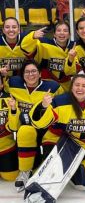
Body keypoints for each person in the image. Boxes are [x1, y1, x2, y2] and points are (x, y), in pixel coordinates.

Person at [29, 74, 85, 199]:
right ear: (71, 87)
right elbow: (39, 123)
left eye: (84, 86)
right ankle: (48, 169)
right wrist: (43, 106)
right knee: (52, 174)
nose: (80, 88)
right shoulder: (60, 101)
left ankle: (74, 172)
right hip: (59, 142)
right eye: (77, 85)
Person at [6, 60, 64, 192]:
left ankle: (49, 170)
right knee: (25, 130)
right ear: (22, 74)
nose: (30, 74)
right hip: (27, 131)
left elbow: (63, 104)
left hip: (48, 128)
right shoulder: (13, 84)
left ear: (39, 74)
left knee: (47, 160)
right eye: (27, 72)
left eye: (33, 71)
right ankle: (25, 171)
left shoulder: (53, 87)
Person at [20, 21, 78, 91]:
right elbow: (25, 48)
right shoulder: (43, 44)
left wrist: (70, 59)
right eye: (59, 30)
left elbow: (70, 73)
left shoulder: (75, 47)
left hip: (67, 88)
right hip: (46, 87)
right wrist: (32, 36)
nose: (62, 33)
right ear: (54, 34)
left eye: (65, 31)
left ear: (69, 34)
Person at [0, 76, 19, 182]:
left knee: (10, 178)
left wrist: (13, 110)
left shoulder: (9, 100)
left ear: (2, 85)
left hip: (7, 148)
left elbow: (14, 128)